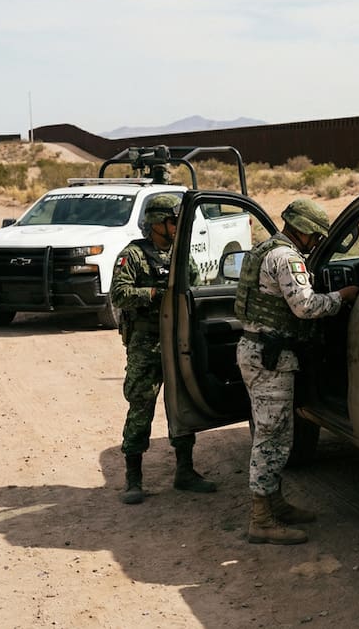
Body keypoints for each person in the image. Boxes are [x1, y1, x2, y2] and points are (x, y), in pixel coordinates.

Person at [235, 198, 359, 545]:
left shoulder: (265, 250)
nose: (318, 243)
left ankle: (275, 504)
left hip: (260, 353)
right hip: (269, 358)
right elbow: (305, 306)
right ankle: (260, 520)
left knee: (278, 434)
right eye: (316, 237)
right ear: (303, 231)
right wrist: (343, 296)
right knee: (271, 438)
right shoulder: (286, 257)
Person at [111, 193, 216, 504]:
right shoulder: (133, 255)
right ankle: (133, 479)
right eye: (172, 221)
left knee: (183, 404)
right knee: (141, 407)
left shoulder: (180, 254)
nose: (175, 227)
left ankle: (185, 471)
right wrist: (157, 294)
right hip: (146, 344)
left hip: (177, 340)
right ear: (156, 223)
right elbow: (119, 293)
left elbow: (196, 286)